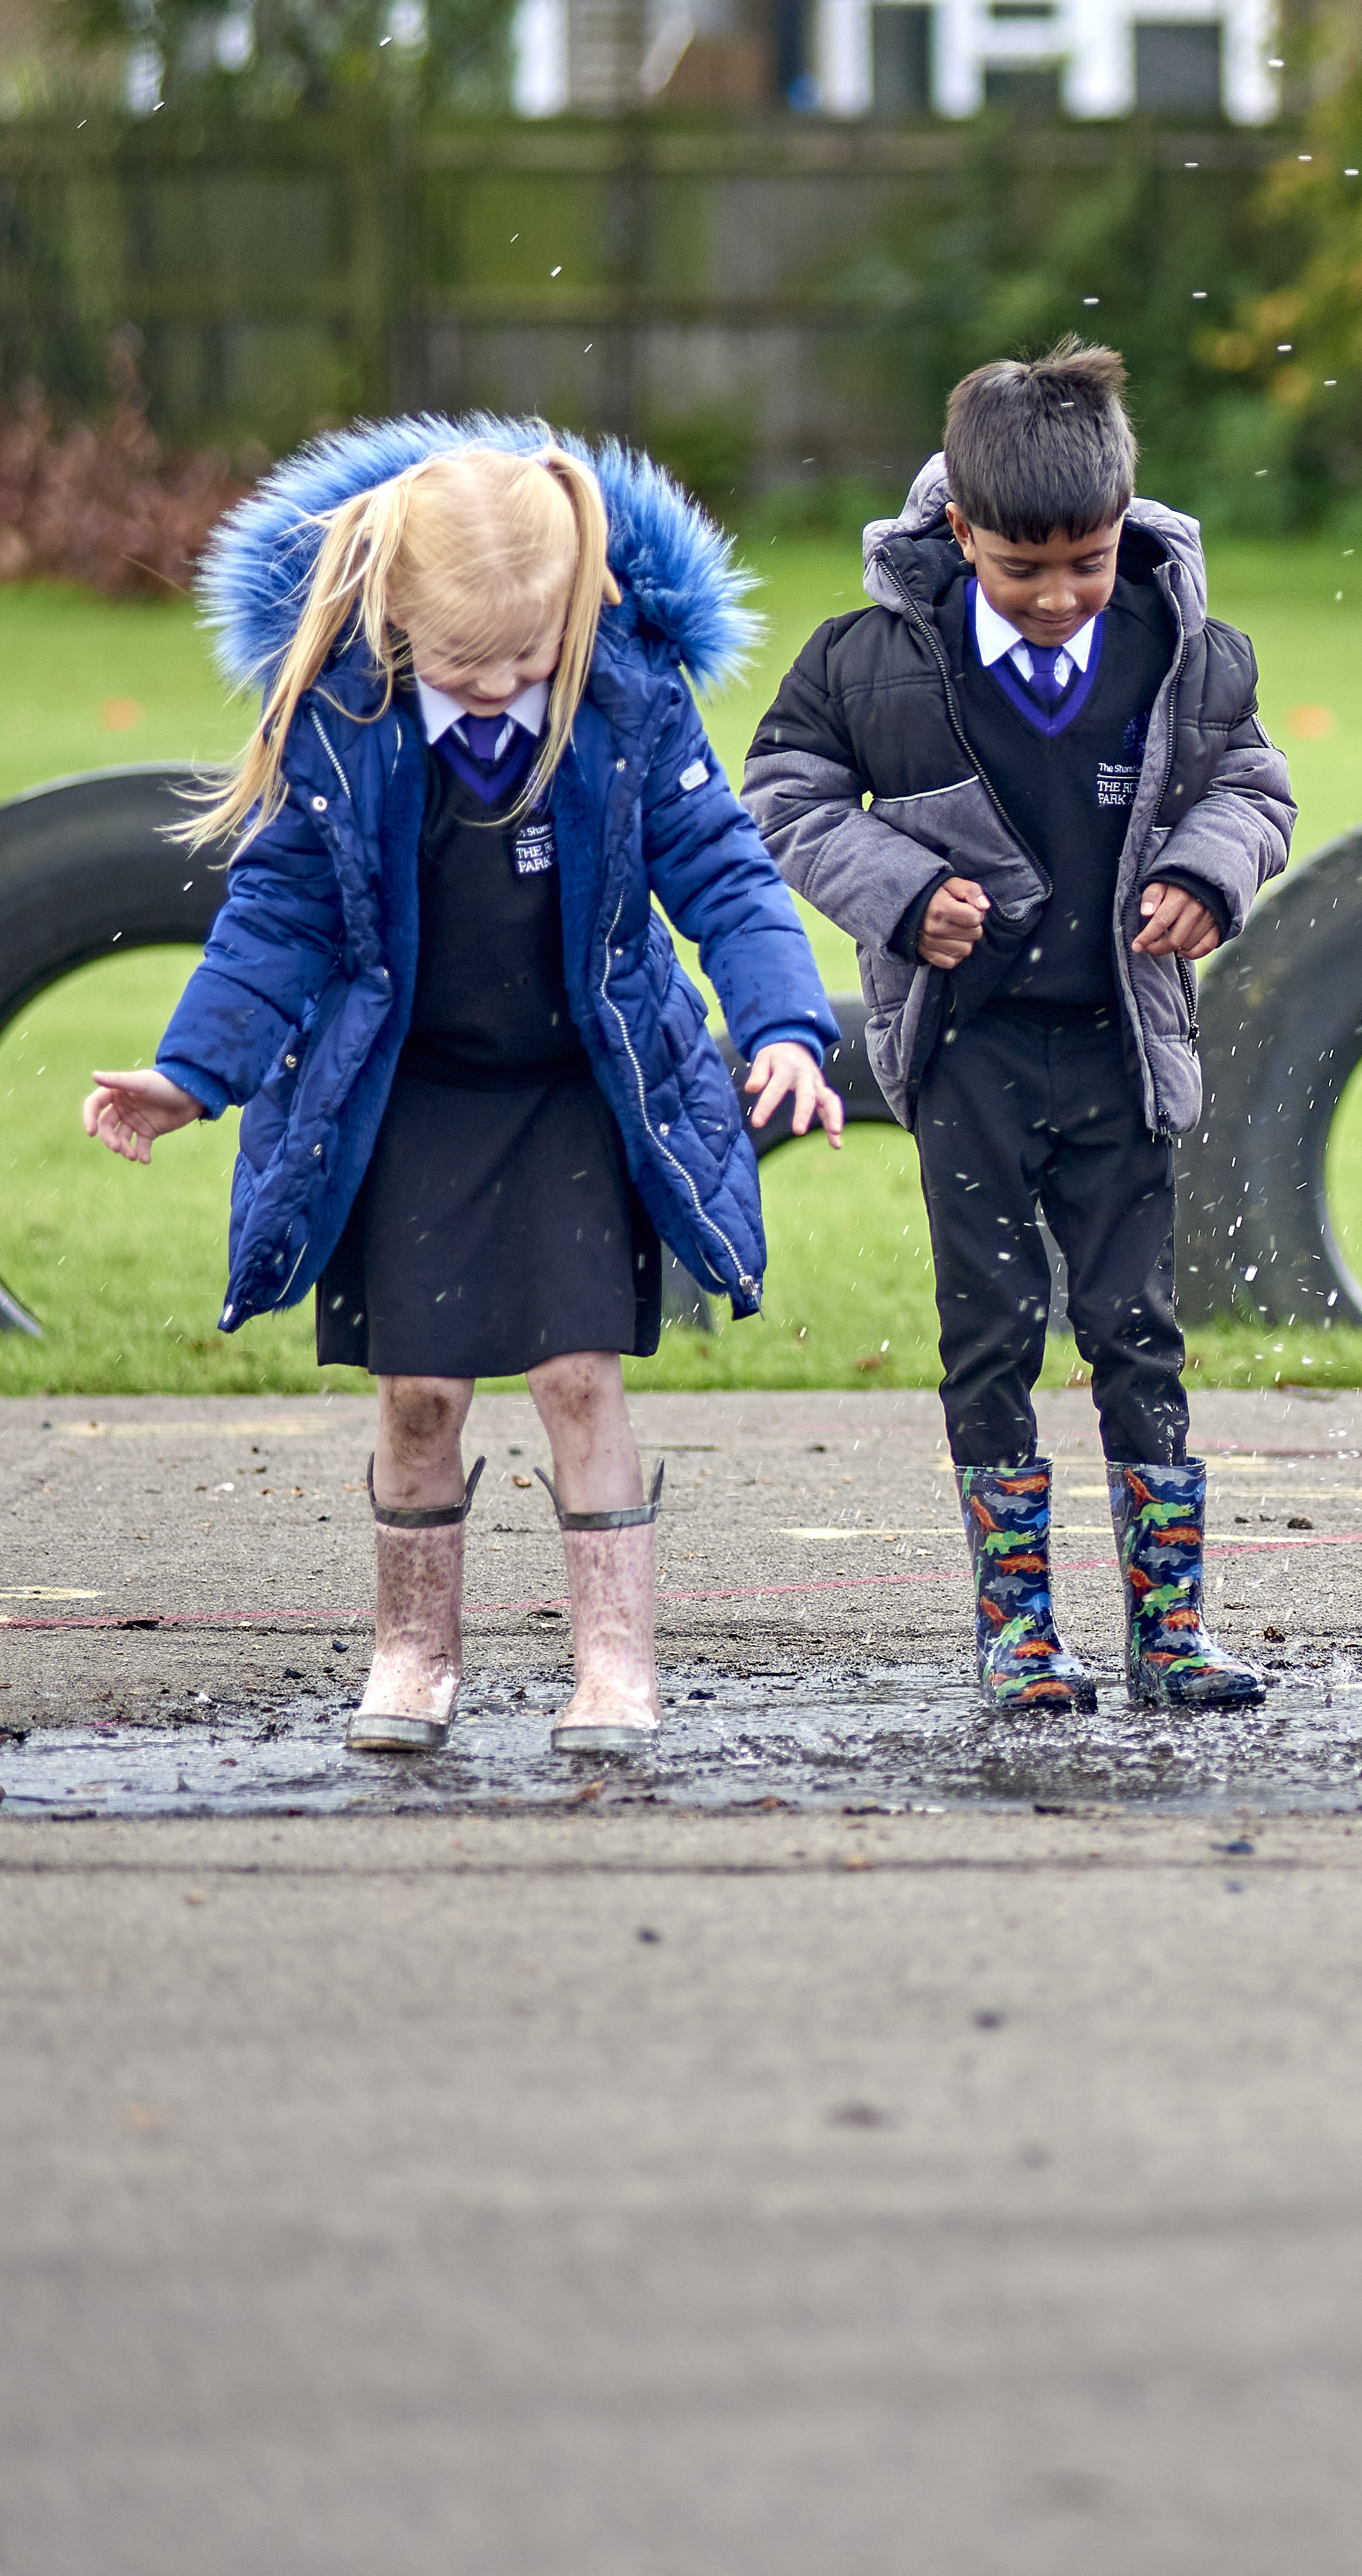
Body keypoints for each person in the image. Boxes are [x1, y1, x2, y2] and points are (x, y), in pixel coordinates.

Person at [81, 423, 844, 1758]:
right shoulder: (344, 716)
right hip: (410, 1090)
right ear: (391, 619)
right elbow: (278, 915)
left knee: (577, 1376)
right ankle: (413, 1651)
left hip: (572, 1082)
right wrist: (190, 1076)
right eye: (460, 663)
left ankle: (614, 1664)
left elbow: (724, 871)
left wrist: (783, 1024)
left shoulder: (626, 698)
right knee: (418, 1389)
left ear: (575, 607)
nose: (496, 688)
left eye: (526, 660)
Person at [744, 343, 1297, 1717]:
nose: (1058, 597)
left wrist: (1204, 873)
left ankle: (1169, 1629)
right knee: (990, 1336)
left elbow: (1252, 786)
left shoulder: (1186, 654)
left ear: (1124, 525)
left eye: (1088, 562)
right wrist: (904, 888)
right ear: (958, 531)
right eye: (1023, 568)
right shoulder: (868, 663)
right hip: (970, 1057)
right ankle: (1020, 1636)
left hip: (1122, 1049)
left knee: (1138, 1332)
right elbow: (783, 795)